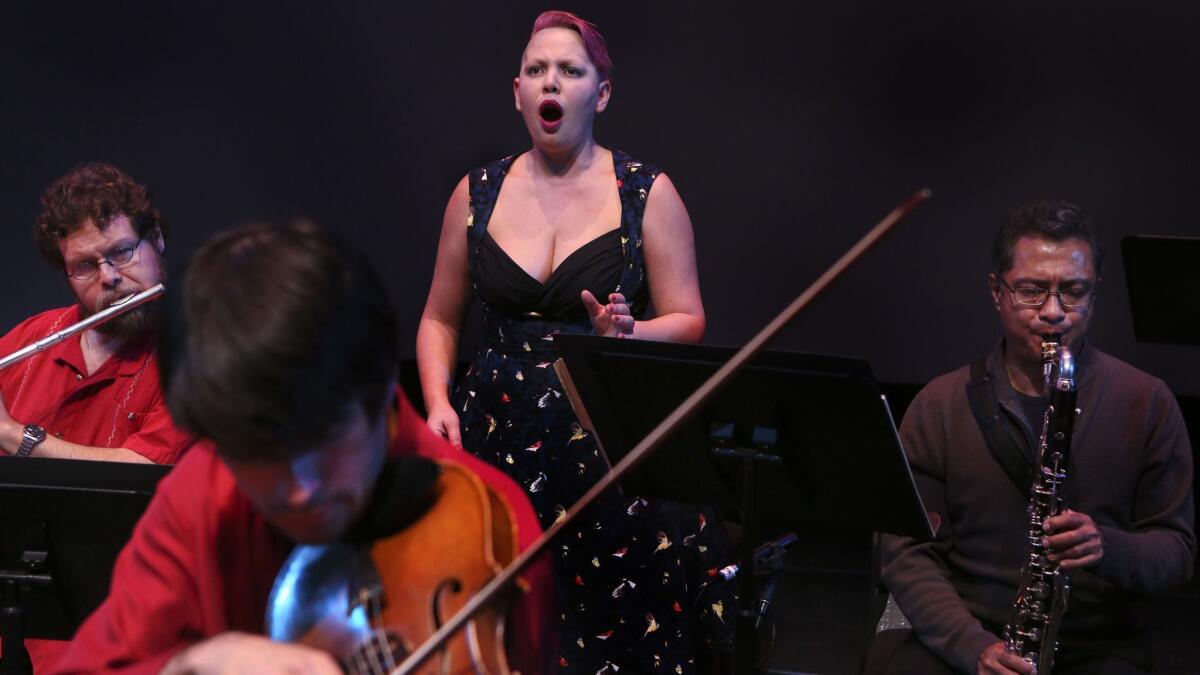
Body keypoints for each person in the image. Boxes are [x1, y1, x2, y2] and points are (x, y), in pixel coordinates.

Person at [48, 221, 553, 674]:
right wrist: (191, 664)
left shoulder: (493, 531)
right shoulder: (203, 485)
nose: (301, 489)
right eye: (259, 454)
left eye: (324, 439)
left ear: (378, 391)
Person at [416, 10, 727, 673]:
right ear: (518, 92)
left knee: (609, 639)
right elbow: (440, 319)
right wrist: (438, 398)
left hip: (605, 452)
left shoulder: (647, 192)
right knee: (499, 636)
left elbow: (690, 318)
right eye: (536, 70)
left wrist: (631, 331)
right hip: (496, 450)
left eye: (569, 70)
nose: (550, 81)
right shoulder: (477, 194)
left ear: (601, 93)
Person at [867, 202, 1195, 674]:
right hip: (971, 630)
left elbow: (1177, 552)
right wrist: (972, 646)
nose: (1054, 313)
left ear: (1095, 293)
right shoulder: (940, 403)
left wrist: (1106, 546)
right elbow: (906, 553)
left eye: (1074, 292)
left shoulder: (1147, 401)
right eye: (1032, 291)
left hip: (1095, 640)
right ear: (996, 292)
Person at [0, 162, 191, 672]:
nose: (109, 277)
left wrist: (16, 437)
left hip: (123, 641)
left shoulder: (196, 355)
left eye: (122, 252)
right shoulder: (31, 341)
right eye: (85, 266)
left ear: (157, 242)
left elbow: (139, 473)